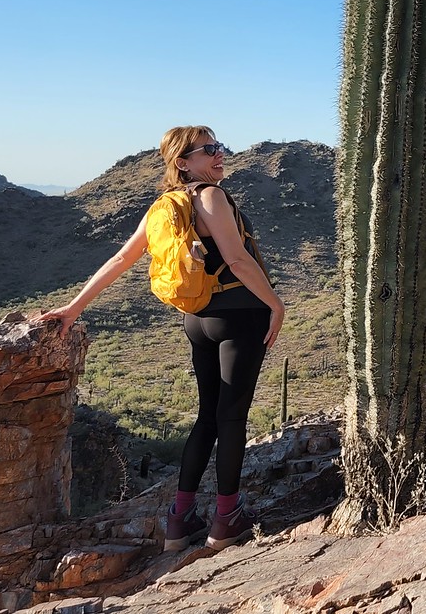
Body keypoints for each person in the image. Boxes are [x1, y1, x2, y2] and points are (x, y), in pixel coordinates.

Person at [38, 126, 286, 552]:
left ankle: (180, 520)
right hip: (240, 316)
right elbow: (238, 259)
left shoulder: (162, 208)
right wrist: (276, 305)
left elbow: (121, 259)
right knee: (232, 418)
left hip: (197, 320)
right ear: (183, 162)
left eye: (219, 146)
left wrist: (74, 307)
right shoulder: (212, 197)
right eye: (208, 150)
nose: (219, 154)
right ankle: (226, 519)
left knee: (208, 416)